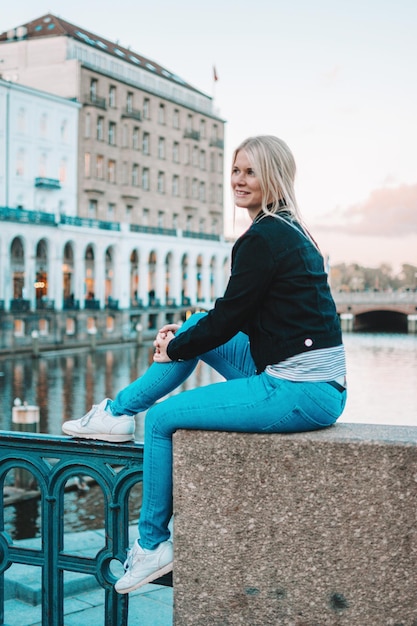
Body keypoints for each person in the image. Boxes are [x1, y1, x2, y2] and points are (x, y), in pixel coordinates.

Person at [62, 135, 347, 594]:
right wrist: (184, 338)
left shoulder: (263, 238)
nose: (239, 180)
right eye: (235, 170)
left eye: (250, 172)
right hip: (308, 378)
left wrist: (173, 349)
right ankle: (115, 414)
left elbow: (230, 316)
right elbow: (226, 318)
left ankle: (152, 544)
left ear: (273, 177)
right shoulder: (288, 229)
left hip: (298, 389)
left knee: (161, 420)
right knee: (193, 323)